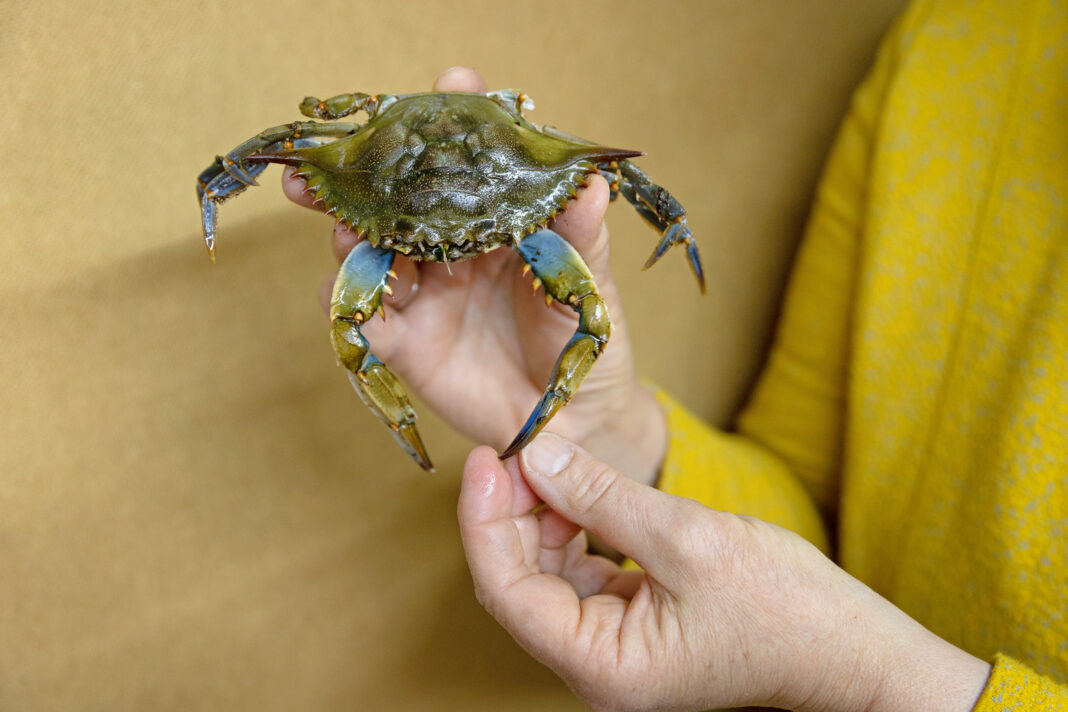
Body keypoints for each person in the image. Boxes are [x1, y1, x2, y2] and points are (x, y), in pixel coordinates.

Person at [284, 1, 1067, 709]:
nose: (459, 249)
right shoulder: (953, 41)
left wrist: (866, 678)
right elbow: (802, 494)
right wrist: (611, 435)